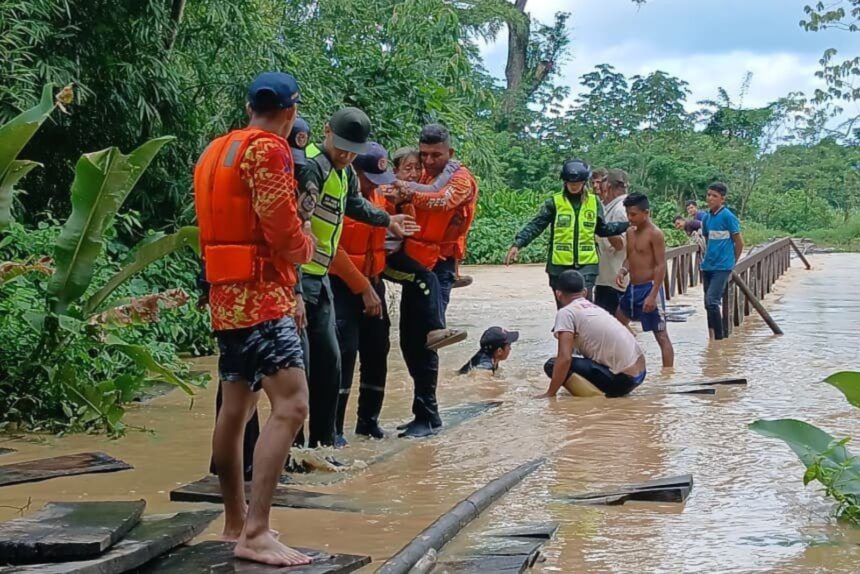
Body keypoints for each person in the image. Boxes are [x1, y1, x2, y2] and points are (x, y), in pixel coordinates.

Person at [195, 71, 315, 566]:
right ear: (290, 112)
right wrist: (306, 245)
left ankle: (233, 522)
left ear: (249, 106)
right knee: (292, 406)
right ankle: (257, 532)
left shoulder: (214, 150)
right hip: (261, 299)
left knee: (236, 406)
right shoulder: (269, 150)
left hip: (225, 298)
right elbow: (282, 227)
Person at [296, 107, 417, 449]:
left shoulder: (344, 171)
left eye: (353, 151)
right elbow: (295, 227)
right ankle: (295, 448)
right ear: (326, 132)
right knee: (301, 370)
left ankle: (323, 445)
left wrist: (387, 220)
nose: (346, 155)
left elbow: (354, 206)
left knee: (331, 365)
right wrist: (292, 289)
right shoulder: (311, 167)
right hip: (304, 277)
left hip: (319, 282)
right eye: (342, 147)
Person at [393, 124, 480, 438]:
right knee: (408, 341)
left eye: (435, 155)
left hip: (440, 265)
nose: (428, 161)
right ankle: (423, 412)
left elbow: (442, 202)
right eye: (424, 154)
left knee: (427, 342)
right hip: (417, 260)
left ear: (450, 153)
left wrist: (407, 190)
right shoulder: (425, 176)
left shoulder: (460, 180)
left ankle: (428, 416)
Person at [329, 142, 396, 444]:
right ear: (355, 171)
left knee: (377, 350)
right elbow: (331, 249)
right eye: (369, 179)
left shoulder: (381, 197)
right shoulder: (338, 195)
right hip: (343, 285)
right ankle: (333, 429)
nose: (374, 186)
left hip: (373, 282)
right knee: (343, 353)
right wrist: (363, 288)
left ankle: (368, 423)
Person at [505, 159, 629, 307]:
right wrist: (518, 244)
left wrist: (627, 225)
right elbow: (536, 225)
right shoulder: (555, 203)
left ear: (584, 183)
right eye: (571, 184)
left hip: (587, 265)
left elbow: (602, 229)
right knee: (564, 310)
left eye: (577, 184)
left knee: (585, 310)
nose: (574, 186)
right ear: (564, 182)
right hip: (559, 266)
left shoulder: (594, 203)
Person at [539, 270, 647, 398]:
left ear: (558, 294)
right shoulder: (594, 308)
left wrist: (550, 394)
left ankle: (597, 399)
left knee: (552, 365)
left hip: (622, 380)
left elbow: (564, 358)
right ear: (584, 292)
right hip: (639, 375)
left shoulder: (566, 313)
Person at [615, 193, 675, 368]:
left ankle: (668, 377)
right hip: (632, 289)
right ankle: (630, 362)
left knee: (661, 335)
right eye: (628, 214)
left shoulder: (655, 234)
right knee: (617, 326)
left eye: (633, 214)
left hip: (649, 288)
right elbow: (630, 257)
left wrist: (653, 294)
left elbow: (660, 265)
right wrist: (623, 270)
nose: (629, 218)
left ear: (646, 212)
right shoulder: (629, 232)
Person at [700, 182, 744, 340]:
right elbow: (707, 239)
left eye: (714, 196)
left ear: (722, 199)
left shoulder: (728, 217)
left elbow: (739, 242)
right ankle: (711, 336)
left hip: (722, 267)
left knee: (712, 301)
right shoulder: (706, 218)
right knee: (707, 303)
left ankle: (719, 340)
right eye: (709, 195)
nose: (710, 198)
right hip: (708, 266)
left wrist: (732, 262)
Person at [594, 168, 629, 315]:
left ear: (608, 186)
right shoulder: (610, 206)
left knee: (612, 325)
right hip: (607, 277)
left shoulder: (620, 209)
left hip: (614, 279)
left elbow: (620, 244)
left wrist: (602, 228)